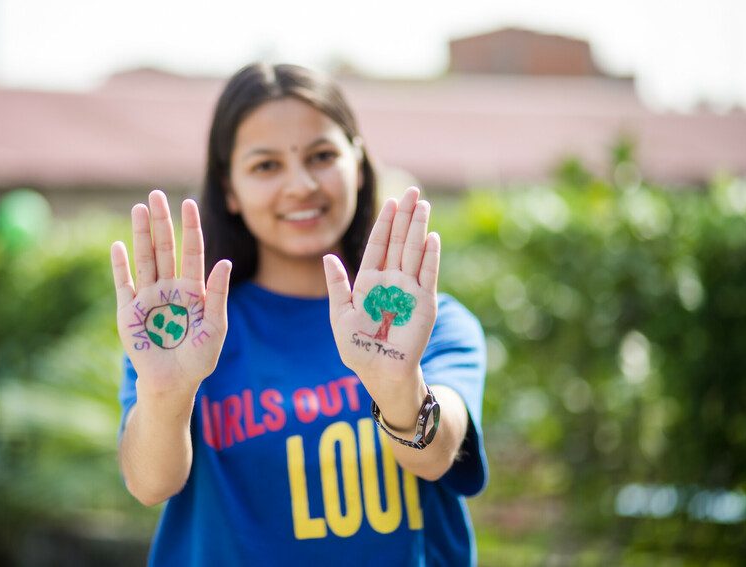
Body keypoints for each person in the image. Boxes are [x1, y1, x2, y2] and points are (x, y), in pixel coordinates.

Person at [111, 62, 488, 566]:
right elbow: (150, 484)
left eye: (322, 155)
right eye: (266, 165)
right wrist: (164, 394)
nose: (301, 184)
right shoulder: (189, 334)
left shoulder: (427, 326)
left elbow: (436, 455)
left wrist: (398, 383)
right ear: (229, 189)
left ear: (358, 161)